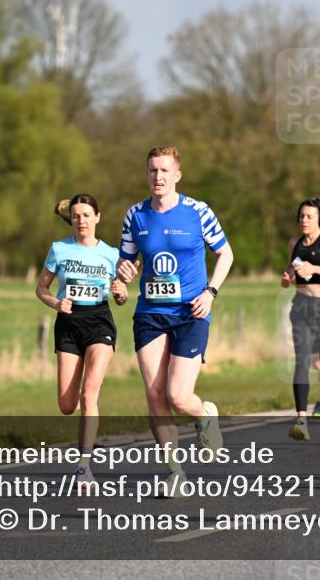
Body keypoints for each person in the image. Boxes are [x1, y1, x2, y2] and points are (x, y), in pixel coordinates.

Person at [116, 146, 235, 493]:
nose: (158, 177)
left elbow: (225, 253)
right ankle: (175, 473)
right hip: (151, 313)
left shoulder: (198, 211)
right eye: (153, 170)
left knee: (179, 396)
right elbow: (124, 267)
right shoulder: (135, 215)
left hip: (190, 312)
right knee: (155, 396)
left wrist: (211, 292)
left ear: (177, 175)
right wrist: (121, 276)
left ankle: (203, 415)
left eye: (165, 170)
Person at [36, 193, 128, 492]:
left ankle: (84, 467)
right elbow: (41, 289)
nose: (81, 220)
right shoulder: (59, 249)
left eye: (87, 215)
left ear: (97, 217)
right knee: (66, 404)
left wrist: (120, 293)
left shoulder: (112, 254)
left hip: (100, 321)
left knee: (89, 394)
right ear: (71, 219)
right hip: (68, 323)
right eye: (76, 215)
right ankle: (90, 405)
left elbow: (121, 296)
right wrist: (55, 303)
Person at [281, 197, 320, 443]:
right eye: (301, 217)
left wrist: (315, 269)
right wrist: (287, 276)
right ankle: (301, 419)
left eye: (309, 217)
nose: (304, 221)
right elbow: (290, 270)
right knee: (301, 362)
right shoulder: (294, 243)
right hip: (301, 306)